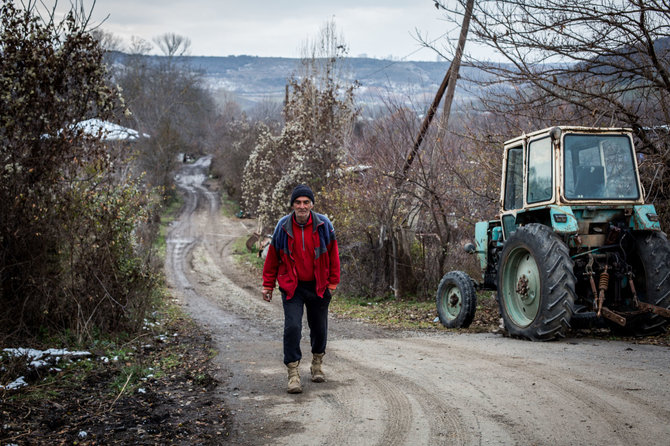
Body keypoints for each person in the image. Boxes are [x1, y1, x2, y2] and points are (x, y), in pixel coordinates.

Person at [262, 184, 340, 393]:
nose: (302, 206)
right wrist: (267, 285)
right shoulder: (283, 226)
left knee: (319, 327)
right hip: (292, 286)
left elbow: (333, 255)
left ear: (312, 204)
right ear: (292, 205)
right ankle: (293, 374)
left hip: (319, 285)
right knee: (293, 328)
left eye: (306, 202)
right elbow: (272, 259)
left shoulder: (324, 225)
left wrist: (332, 283)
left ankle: (316, 364)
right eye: (298, 202)